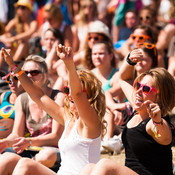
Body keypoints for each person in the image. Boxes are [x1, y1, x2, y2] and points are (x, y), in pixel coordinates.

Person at [0, 44, 106, 175]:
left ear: (90, 96)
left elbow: (77, 95)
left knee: (25, 163)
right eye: (67, 90)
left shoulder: (91, 122)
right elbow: (37, 95)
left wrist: (69, 64)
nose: (70, 95)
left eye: (76, 91)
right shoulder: (67, 118)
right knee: (12, 160)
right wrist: (14, 66)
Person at [78, 48, 175, 175]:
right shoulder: (138, 108)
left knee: (105, 165)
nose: (139, 91)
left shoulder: (155, 122)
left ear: (159, 96)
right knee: (89, 168)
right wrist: (128, 61)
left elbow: (165, 137)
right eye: (138, 86)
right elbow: (123, 79)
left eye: (146, 89)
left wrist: (157, 121)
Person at [0, 55, 65, 174]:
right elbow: (16, 134)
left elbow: (56, 137)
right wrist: (5, 142)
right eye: (25, 73)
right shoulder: (22, 99)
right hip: (29, 150)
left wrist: (29, 141)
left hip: (52, 151)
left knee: (45, 156)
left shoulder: (58, 97)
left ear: (45, 75)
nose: (29, 76)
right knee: (5, 158)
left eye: (34, 72)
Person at [0, 65, 24, 139]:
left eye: (16, 79)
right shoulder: (4, 96)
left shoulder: (28, 98)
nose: (12, 83)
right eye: (9, 79)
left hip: (13, 140)